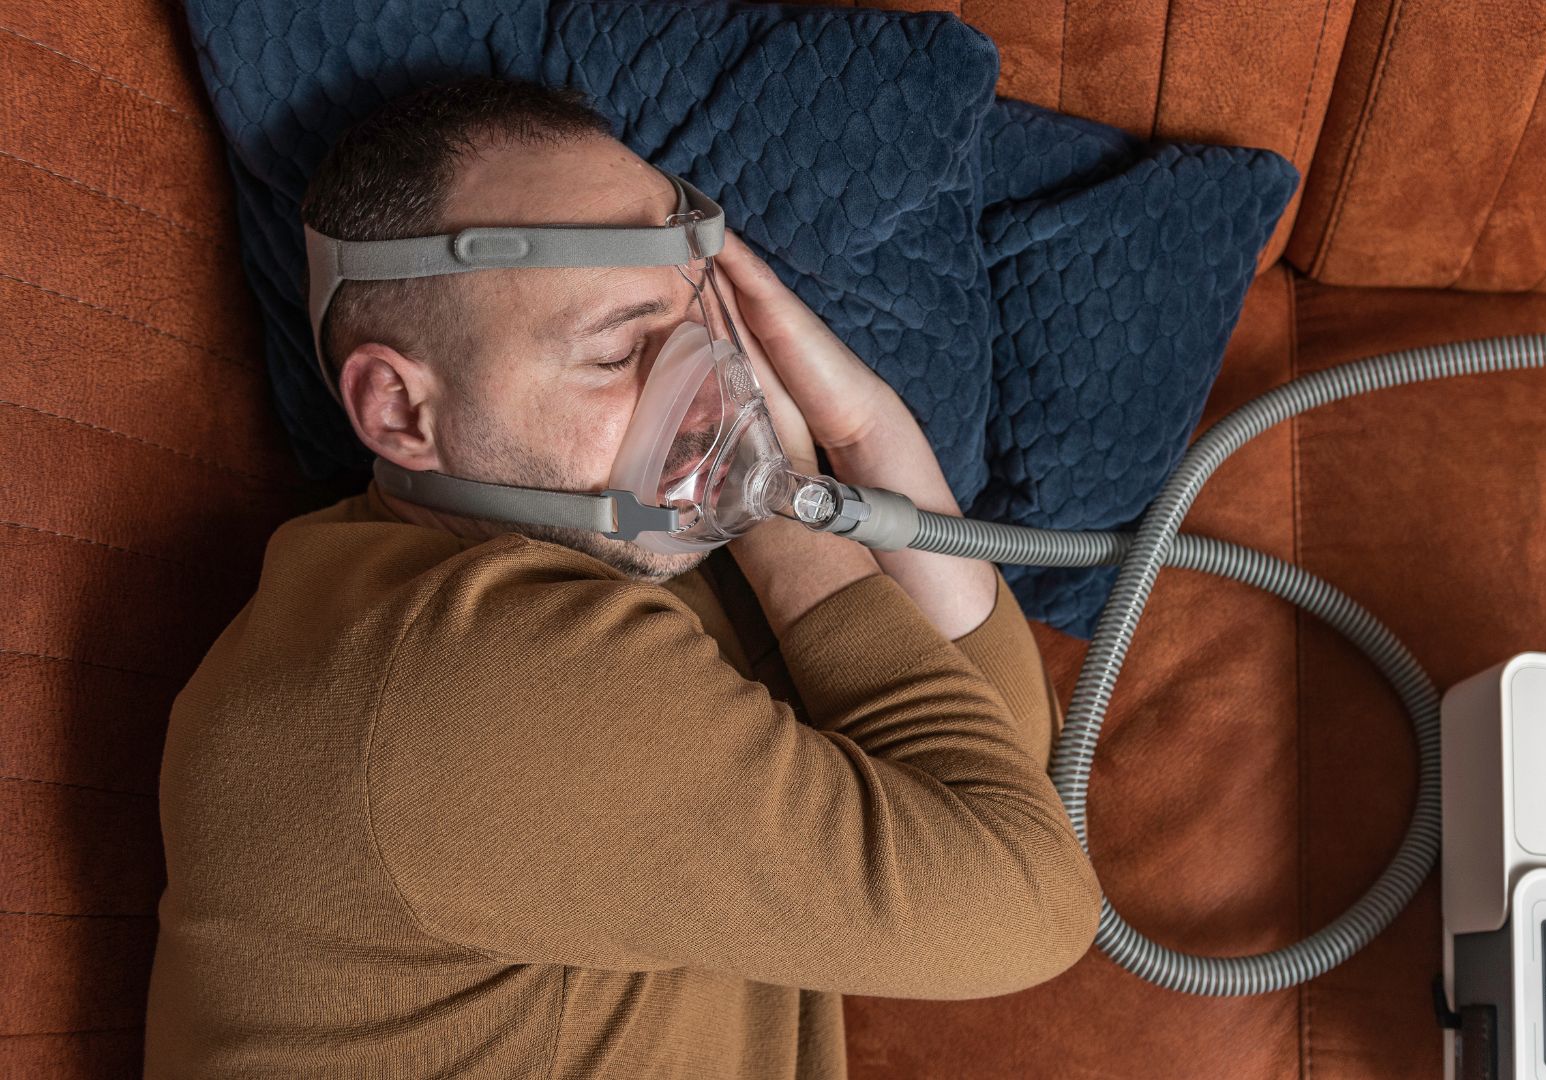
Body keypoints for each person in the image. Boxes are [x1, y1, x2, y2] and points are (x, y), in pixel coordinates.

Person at [143, 76, 1101, 1079]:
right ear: (398, 412)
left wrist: (862, 433)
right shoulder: (465, 675)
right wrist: (785, 492)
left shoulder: (644, 571)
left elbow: (995, 773)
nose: (709, 395)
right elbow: (1024, 899)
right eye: (615, 354)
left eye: (704, 329)